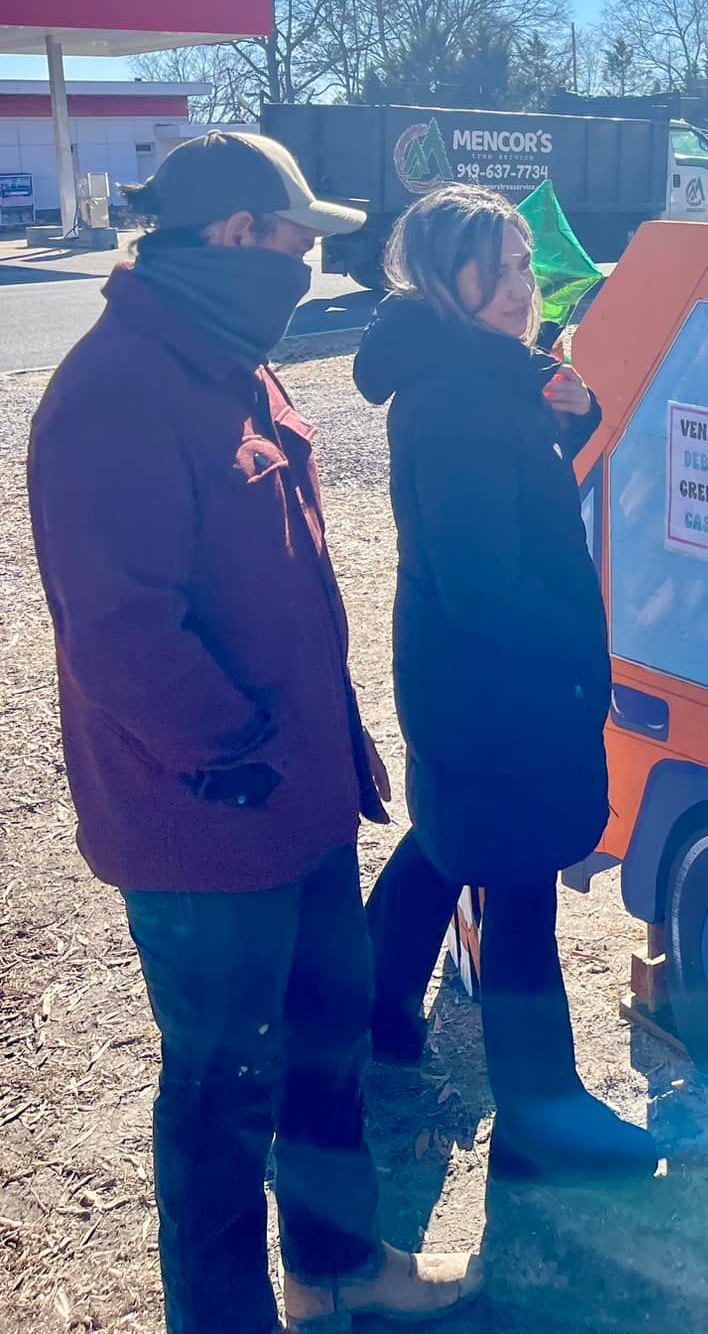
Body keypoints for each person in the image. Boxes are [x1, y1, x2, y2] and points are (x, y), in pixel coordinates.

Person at [26, 131, 481, 1334]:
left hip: (303, 802)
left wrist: (323, 756)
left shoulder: (236, 362)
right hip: (206, 822)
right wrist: (240, 753)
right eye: (298, 240)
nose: (309, 263)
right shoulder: (113, 389)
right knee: (223, 1094)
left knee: (326, 1045)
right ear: (235, 235)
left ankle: (333, 1267)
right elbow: (123, 631)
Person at [355, 184, 658, 1184]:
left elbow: (522, 489)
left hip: (465, 676)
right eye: (495, 268)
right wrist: (569, 659)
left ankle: (373, 1012)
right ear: (443, 277)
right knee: (519, 883)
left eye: (526, 266)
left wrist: (580, 413)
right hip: (493, 684)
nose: (519, 289)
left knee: (449, 841)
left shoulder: (496, 376)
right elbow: (481, 576)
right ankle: (542, 1116)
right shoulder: (452, 398)